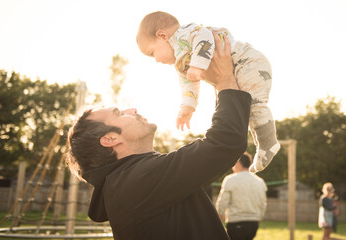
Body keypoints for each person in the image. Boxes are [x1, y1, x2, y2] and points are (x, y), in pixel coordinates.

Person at [66, 34, 252, 240]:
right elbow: (224, 143)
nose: (132, 109)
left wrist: (220, 83)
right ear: (110, 139)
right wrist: (225, 78)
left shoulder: (132, 179)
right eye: (119, 113)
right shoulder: (135, 180)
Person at [136, 11, 280, 173]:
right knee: (241, 110)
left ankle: (268, 144)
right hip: (236, 70)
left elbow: (204, 36)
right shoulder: (181, 60)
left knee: (255, 105)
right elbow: (188, 83)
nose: (155, 60)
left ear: (162, 35)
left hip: (247, 62)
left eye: (152, 53)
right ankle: (262, 145)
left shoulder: (183, 34)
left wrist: (197, 64)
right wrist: (188, 107)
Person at [216, 153, 267, 240]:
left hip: (236, 223)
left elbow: (223, 202)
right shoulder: (260, 181)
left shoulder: (230, 180)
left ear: (238, 163)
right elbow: (263, 204)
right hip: (253, 224)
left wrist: (218, 221)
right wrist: (258, 218)